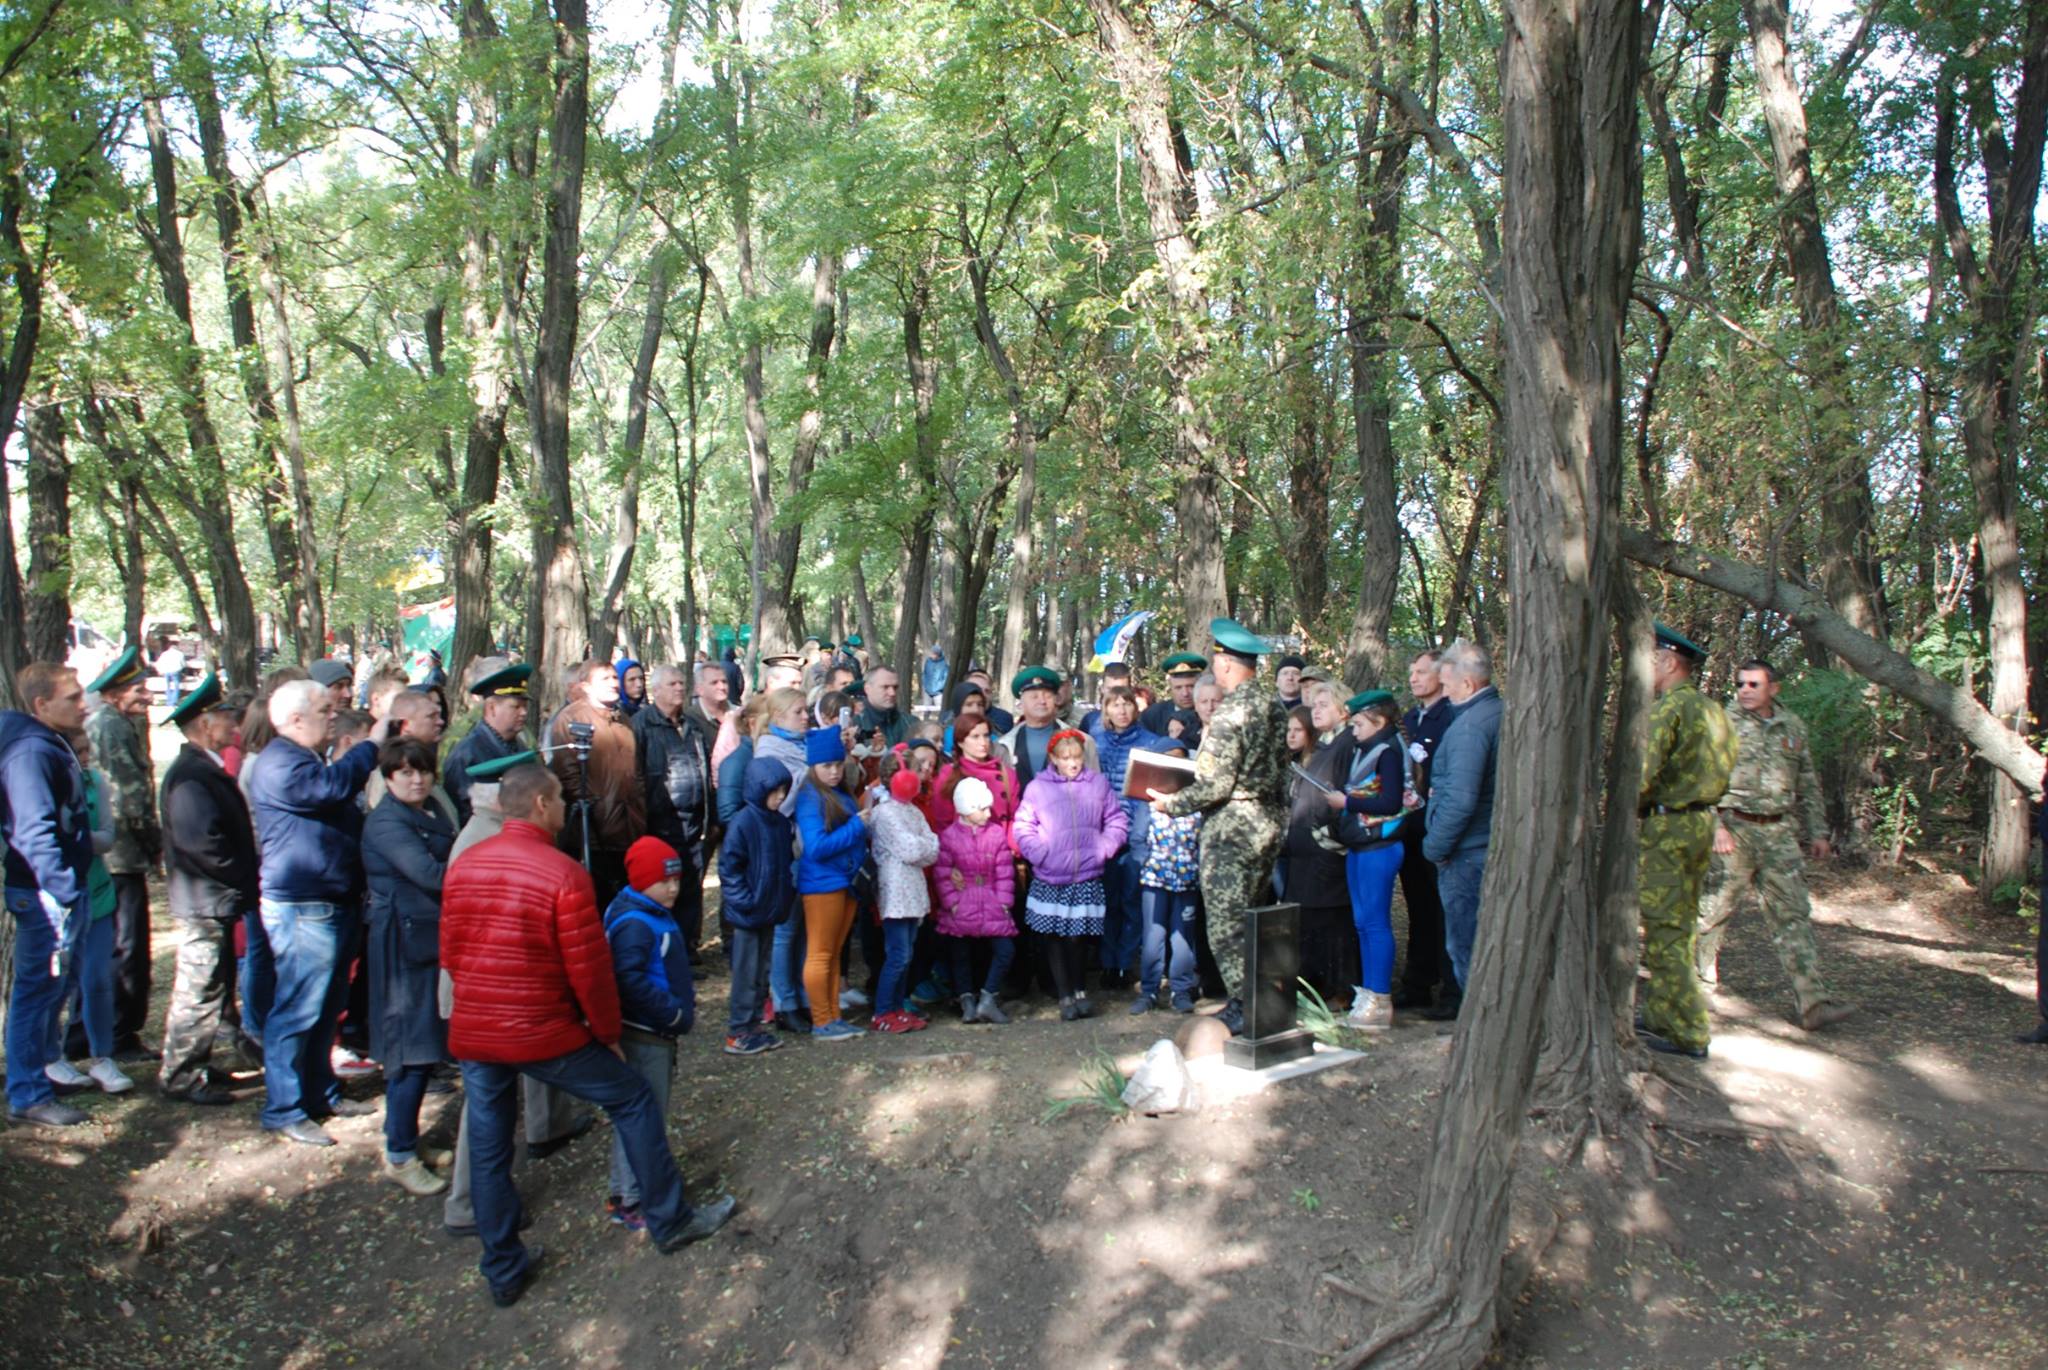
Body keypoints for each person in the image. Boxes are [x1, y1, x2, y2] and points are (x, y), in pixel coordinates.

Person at [441, 764, 734, 1305]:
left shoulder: (465, 865)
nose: (564, 807)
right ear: (538, 806)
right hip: (540, 1029)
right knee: (635, 1100)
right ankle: (670, 1219)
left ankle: (502, 1268)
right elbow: (589, 970)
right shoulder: (562, 873)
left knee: (487, 1145)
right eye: (557, 799)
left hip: (477, 1029)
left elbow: (451, 950)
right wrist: (604, 1035)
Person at [248, 678, 390, 1146]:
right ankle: (284, 1108)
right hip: (302, 906)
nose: (334, 715)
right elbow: (331, 789)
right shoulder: (281, 764)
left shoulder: (303, 758)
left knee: (326, 1005)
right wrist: (369, 746)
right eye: (325, 710)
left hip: (331, 898)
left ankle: (320, 1092)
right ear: (293, 720)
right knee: (298, 1008)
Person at [1696, 660, 1856, 1033]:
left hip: (1779, 833)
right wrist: (1715, 823)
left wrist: (1818, 832)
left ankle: (1812, 1003)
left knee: (1793, 914)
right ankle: (1700, 987)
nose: (1745, 690)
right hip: (1733, 829)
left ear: (1774, 689)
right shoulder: (1723, 723)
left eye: (1754, 684)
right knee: (1713, 912)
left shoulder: (1792, 728)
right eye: (1741, 684)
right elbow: (1701, 778)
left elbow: (1808, 783)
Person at [1145, 622, 1289, 1035]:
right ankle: (1268, 1003)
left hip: (1232, 829)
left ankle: (1246, 1005)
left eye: (1218, 662)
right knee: (1256, 918)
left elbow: (1215, 783)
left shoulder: (1232, 711)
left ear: (1226, 664)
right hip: (1267, 821)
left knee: (1228, 925)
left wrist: (1170, 803)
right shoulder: (1272, 704)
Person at [1635, 623, 1739, 1060]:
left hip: (1671, 828)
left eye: (1651, 658)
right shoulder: (1714, 711)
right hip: (1700, 824)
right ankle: (1661, 1012)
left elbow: (1641, 774)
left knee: (1665, 927)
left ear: (1669, 662)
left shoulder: (1669, 710)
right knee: (1678, 923)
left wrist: (1631, 805)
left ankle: (1690, 1030)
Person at [158, 675, 261, 1106]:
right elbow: (203, 845)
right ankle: (181, 1075)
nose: (232, 726)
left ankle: (196, 1065)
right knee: (197, 991)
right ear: (204, 724)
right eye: (223, 718)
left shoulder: (202, 770)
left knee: (211, 988)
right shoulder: (191, 778)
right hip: (205, 900)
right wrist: (243, 875)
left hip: (214, 899)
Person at [362, 737, 457, 1196]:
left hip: (427, 938)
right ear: (388, 777)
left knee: (427, 1047)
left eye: (423, 771)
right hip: (402, 947)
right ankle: (399, 1151)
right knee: (410, 1053)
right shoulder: (387, 824)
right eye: (405, 773)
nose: (417, 779)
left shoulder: (427, 813)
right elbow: (432, 874)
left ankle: (408, 1140)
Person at [1, 663, 96, 1127]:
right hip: (42, 894)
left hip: (56, 890)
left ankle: (36, 1075)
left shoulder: (45, 743)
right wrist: (61, 889)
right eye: (74, 697)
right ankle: (27, 1093)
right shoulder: (28, 753)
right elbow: (34, 830)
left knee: (53, 989)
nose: (84, 704)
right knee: (36, 994)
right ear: (41, 705)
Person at [601, 837, 698, 1231]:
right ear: (642, 881)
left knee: (640, 1117)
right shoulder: (636, 924)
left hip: (656, 1031)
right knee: (644, 1119)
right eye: (663, 881)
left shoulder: (650, 910)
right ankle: (633, 1198)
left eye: (676, 880)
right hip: (645, 1035)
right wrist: (672, 1014)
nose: (673, 889)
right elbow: (628, 981)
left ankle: (624, 1189)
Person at [81, 646, 161, 1062]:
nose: (146, 696)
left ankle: (93, 1031)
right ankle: (119, 1033)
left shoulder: (114, 722)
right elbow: (130, 795)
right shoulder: (111, 727)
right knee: (126, 945)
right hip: (122, 856)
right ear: (115, 694)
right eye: (138, 689)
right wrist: (154, 843)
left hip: (116, 854)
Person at [1015, 729, 1127, 1021]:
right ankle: (1064, 994)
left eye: (1076, 757)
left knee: (1078, 936)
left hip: (1086, 873)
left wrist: (1104, 848)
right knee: (1054, 937)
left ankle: (1080, 990)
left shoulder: (1097, 784)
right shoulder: (1038, 788)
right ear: (1053, 759)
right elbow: (1023, 826)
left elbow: (1116, 819)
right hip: (1052, 875)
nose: (1072, 764)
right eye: (1065, 758)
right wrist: (1041, 855)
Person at [1421, 641, 1502, 1018]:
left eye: (1449, 685)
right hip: (1479, 846)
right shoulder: (1493, 714)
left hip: (1467, 852)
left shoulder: (1470, 727)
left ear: (1468, 685)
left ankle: (1481, 1024)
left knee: (1466, 945)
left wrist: (1434, 847)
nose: (1445, 692)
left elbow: (1462, 799)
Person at [47, 726, 129, 1094]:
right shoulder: (44, 781)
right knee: (56, 981)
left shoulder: (96, 781)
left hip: (96, 893)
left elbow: (108, 837)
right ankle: (51, 1056)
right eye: (75, 753)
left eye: (86, 752)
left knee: (97, 979)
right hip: (57, 896)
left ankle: (103, 1056)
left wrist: (74, 836)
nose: (83, 761)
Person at [1323, 691, 1409, 1030]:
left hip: (1380, 846)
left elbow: (1389, 802)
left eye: (1358, 723)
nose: (1353, 730)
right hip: (1360, 846)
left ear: (1379, 721)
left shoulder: (1389, 750)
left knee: (1375, 923)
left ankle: (1380, 997)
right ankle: (1368, 994)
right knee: (1362, 922)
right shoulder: (1367, 748)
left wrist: (1346, 803)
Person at [1088, 686, 1171, 992]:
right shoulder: (1094, 744)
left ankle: (1127, 964)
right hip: (1104, 834)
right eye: (1115, 705)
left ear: (1135, 709)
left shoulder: (1151, 744)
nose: (1121, 711)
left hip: (1139, 833)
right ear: (1105, 710)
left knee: (1133, 902)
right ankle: (1108, 963)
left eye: (1127, 705)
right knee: (1108, 902)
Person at [547, 660, 647, 907]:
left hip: (630, 827)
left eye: (615, 678)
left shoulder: (623, 719)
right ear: (586, 686)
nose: (614, 683)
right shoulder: (571, 719)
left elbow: (636, 770)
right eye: (605, 679)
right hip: (594, 833)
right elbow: (569, 777)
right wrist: (596, 815)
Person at [794, 727, 869, 1041]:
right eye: (827, 766)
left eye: (838, 764)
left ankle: (834, 1017)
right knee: (821, 953)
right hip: (823, 884)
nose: (834, 771)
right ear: (814, 766)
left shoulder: (839, 792)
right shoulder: (811, 797)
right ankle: (822, 1020)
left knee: (834, 952)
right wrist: (857, 825)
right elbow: (817, 847)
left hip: (843, 881)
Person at [1281, 704, 1358, 1004]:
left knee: (1332, 925)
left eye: (1297, 730)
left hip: (1325, 852)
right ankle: (1314, 984)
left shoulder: (1338, 748)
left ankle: (1340, 987)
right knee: (1307, 921)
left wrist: (1330, 836)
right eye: (1288, 730)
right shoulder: (1305, 760)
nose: (1291, 736)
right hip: (1300, 856)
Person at [718, 757, 795, 1056]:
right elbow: (730, 867)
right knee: (746, 972)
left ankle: (753, 1025)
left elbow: (784, 863)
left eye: (783, 791)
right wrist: (744, 901)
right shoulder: (744, 822)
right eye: (774, 791)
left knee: (762, 971)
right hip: (749, 912)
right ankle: (738, 1030)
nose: (779, 797)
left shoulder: (779, 823)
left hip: (770, 909)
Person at [634, 665, 713, 949]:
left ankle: (687, 949)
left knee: (690, 886)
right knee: (662, 887)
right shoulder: (642, 724)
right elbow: (637, 775)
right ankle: (661, 948)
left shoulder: (692, 726)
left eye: (681, 683)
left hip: (694, 822)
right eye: (672, 684)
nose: (679, 688)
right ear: (656, 690)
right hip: (660, 823)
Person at [1396, 650, 1456, 1013]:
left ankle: (1452, 989)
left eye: (1421, 672)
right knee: (1418, 909)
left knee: (1444, 910)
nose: (1414, 678)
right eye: (1411, 672)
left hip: (1439, 828)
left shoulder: (1449, 717)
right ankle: (1418, 982)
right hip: (1410, 828)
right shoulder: (1409, 719)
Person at [934, 776, 1019, 1025]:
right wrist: (953, 903)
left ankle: (988, 997)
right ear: (967, 809)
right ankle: (966, 1001)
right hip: (963, 902)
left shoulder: (994, 834)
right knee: (960, 954)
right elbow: (942, 873)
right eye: (981, 808)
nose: (987, 812)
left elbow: (1005, 870)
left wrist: (1004, 902)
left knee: (1005, 950)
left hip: (991, 902)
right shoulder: (949, 837)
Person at [868, 761, 940, 1031]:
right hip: (895, 893)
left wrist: (923, 847)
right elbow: (912, 849)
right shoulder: (884, 813)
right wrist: (923, 846)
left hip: (914, 891)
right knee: (897, 954)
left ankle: (898, 1007)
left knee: (907, 954)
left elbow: (933, 847)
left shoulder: (913, 812)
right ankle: (883, 1011)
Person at [1137, 780, 1202, 1015]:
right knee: (1153, 937)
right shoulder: (1149, 807)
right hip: (1155, 884)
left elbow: (1203, 842)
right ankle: (1149, 991)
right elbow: (1137, 839)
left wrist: (1198, 869)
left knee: (1183, 938)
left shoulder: (1195, 806)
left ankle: (1181, 991)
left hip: (1187, 884)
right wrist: (1148, 864)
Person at [443, 663, 533, 828]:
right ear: (492, 708)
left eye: (525, 706)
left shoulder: (519, 745)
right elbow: (463, 812)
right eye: (516, 706)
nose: (524, 713)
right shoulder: (467, 754)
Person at [999, 666, 1066, 785]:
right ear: (1021, 704)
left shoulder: (1080, 741)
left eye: (1047, 696)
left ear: (1056, 700)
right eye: (1034, 697)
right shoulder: (1004, 746)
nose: (1042, 701)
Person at [1141, 653, 1205, 740]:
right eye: (1178, 688)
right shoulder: (1153, 715)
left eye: (1190, 686)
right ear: (1170, 688)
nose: (1185, 693)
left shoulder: (1210, 711)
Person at [859, 667, 912, 747]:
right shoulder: (855, 723)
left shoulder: (910, 723)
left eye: (895, 687)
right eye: (885, 687)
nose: (892, 693)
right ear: (867, 689)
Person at [962, 666, 1014, 735]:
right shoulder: (948, 718)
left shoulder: (1002, 718)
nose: (983, 695)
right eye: (977, 690)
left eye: (987, 691)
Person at [157, 640, 189, 708]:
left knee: (168, 686)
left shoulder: (165, 653)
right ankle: (174, 702)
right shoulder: (180, 654)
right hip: (175, 671)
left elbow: (159, 662)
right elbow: (183, 664)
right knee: (176, 686)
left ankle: (169, 701)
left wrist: (160, 670)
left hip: (167, 671)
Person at [920, 644, 950, 710]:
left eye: (933, 653)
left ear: (937, 654)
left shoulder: (944, 664)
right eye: (931, 653)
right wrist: (925, 685)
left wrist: (938, 688)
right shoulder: (928, 662)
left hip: (938, 692)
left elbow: (945, 679)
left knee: (940, 710)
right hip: (927, 691)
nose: (931, 655)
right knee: (926, 711)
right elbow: (924, 674)